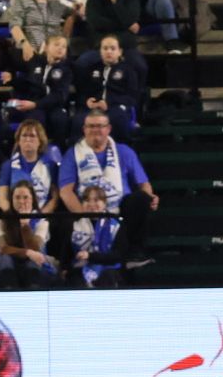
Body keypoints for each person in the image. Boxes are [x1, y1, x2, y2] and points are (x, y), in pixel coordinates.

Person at [57, 110, 158, 267]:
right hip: (89, 209)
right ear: (84, 129)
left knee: (142, 198)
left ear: (108, 129)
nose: (95, 130)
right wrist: (85, 216)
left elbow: (144, 184)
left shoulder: (124, 151)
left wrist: (150, 197)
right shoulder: (73, 154)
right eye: (91, 126)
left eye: (100, 126)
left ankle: (135, 253)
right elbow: (65, 191)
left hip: (121, 214)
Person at [9, 35, 73, 145]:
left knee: (59, 119)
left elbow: (59, 96)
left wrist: (36, 104)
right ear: (46, 47)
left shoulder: (66, 70)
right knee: (36, 118)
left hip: (53, 105)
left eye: (64, 46)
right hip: (33, 103)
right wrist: (11, 79)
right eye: (56, 45)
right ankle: (34, 149)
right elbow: (26, 84)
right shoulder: (35, 62)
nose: (60, 48)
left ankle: (59, 149)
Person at [6, 0, 72, 63]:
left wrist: (64, 38)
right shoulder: (21, 1)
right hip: (31, 51)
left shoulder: (55, 3)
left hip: (53, 52)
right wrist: (25, 44)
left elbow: (72, 14)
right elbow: (14, 26)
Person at [0, 180, 55, 287]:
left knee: (33, 264)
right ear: (11, 200)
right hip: (10, 259)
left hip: (35, 260)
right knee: (5, 260)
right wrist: (27, 252)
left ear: (32, 199)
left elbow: (35, 249)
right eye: (17, 197)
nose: (21, 201)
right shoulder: (2, 220)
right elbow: (2, 248)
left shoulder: (41, 221)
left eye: (25, 197)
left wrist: (25, 225)